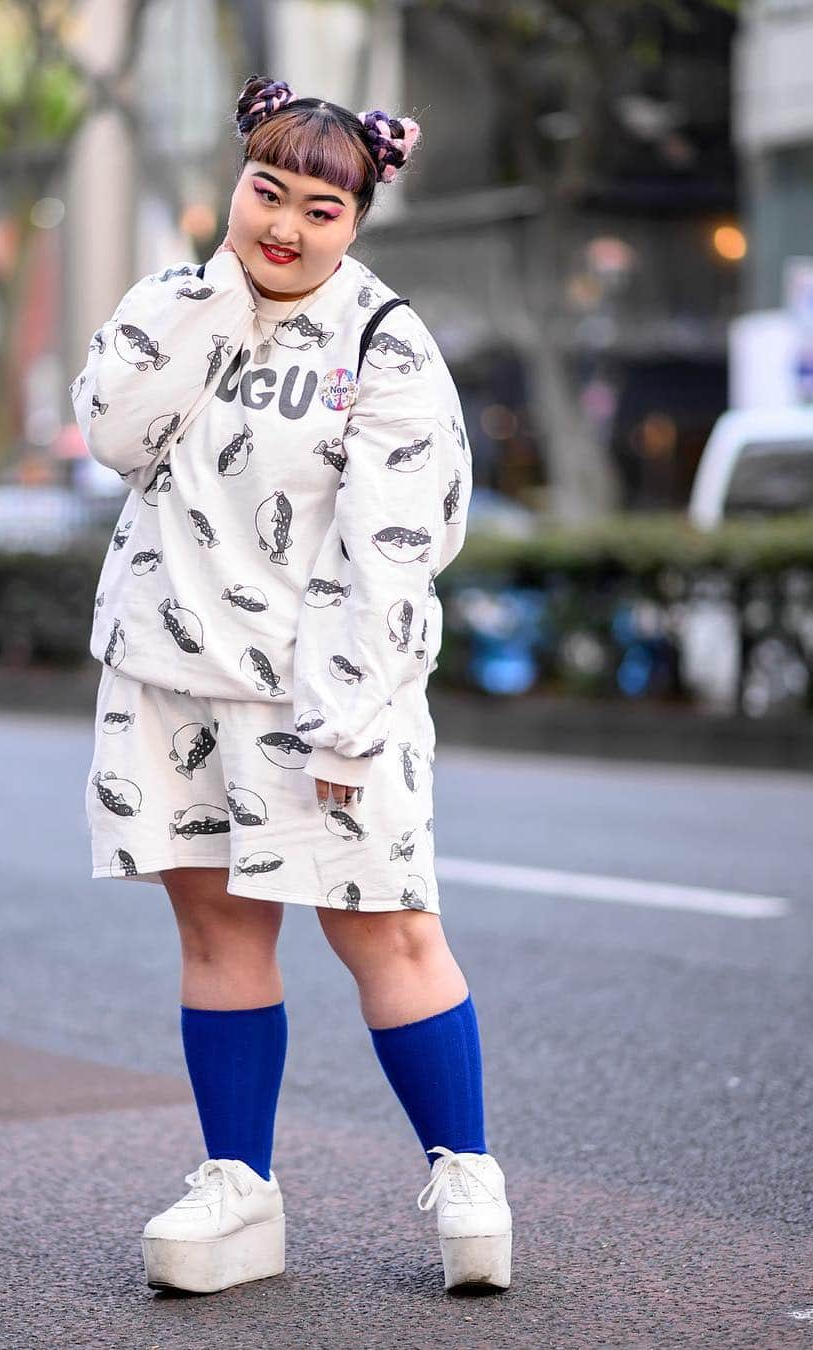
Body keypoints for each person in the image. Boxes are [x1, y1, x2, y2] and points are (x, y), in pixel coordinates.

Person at [70, 74, 512, 1296]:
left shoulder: (387, 341)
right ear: (237, 185)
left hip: (327, 693)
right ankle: (237, 1189)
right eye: (269, 192)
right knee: (217, 929)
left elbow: (394, 548)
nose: (287, 226)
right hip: (169, 680)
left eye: (323, 207)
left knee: (389, 929)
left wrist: (350, 716)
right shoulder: (171, 303)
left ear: (359, 219)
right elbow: (113, 435)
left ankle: (466, 1172)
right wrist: (215, 307)